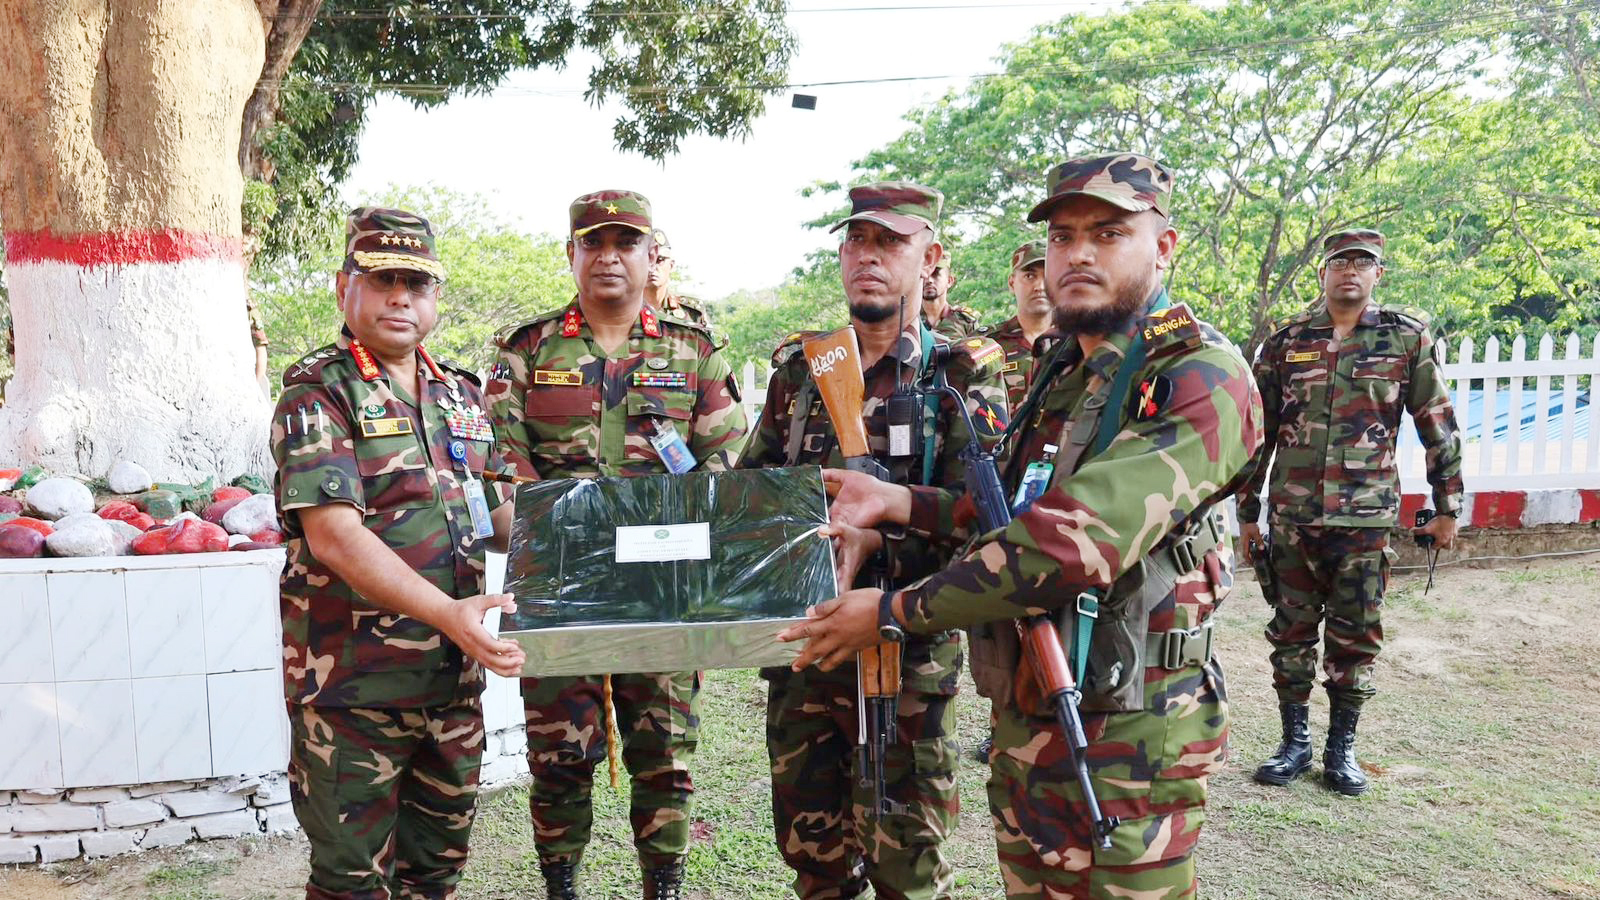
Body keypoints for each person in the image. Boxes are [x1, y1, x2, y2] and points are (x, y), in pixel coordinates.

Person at [782, 153, 1264, 899]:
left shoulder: (1198, 374)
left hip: (1132, 735)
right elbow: (1009, 508)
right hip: (1034, 712)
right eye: (1063, 236)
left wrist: (893, 612)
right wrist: (900, 505)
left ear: (1163, 247)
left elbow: (1071, 541)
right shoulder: (1067, 371)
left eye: (1107, 234)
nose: (1076, 254)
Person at [739, 181, 1009, 900]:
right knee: (813, 855)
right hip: (809, 652)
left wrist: (886, 520)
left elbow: (990, 519)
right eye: (857, 240)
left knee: (905, 863)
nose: (869, 255)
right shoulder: (801, 374)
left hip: (908, 653)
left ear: (930, 259)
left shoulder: (962, 377)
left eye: (891, 241)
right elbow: (753, 494)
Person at [484, 190, 747, 900]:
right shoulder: (528, 350)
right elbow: (500, 464)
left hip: (662, 591)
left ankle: (663, 885)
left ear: (648, 253)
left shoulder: (692, 350)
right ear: (570, 254)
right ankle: (561, 886)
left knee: (663, 754)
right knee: (559, 755)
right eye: (592, 243)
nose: (607, 257)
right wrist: (554, 545)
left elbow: (723, 464)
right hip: (559, 590)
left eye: (624, 243)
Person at [271, 206, 527, 900]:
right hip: (353, 693)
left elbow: (502, 514)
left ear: (436, 298)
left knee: (435, 875)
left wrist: (595, 533)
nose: (399, 298)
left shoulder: (463, 395)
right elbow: (334, 535)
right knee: (352, 883)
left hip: (451, 688)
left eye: (416, 284)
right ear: (343, 287)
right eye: (381, 279)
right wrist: (450, 613)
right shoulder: (317, 391)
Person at [1239, 228, 1463, 796]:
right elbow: (1256, 433)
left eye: (1363, 263)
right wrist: (1247, 512)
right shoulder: (1286, 341)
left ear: (1377, 275)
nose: (1351, 272)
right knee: (1290, 632)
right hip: (1292, 517)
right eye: (1341, 262)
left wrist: (1447, 506)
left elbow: (1435, 421)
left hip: (1365, 519)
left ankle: (1342, 747)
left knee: (1355, 636)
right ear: (1323, 273)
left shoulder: (1404, 338)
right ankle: (1293, 742)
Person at [986, 239, 1055, 412]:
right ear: (1011, 283)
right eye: (1029, 276)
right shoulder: (987, 345)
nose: (1040, 286)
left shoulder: (1076, 344)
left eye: (1048, 276)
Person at [644, 228, 715, 330]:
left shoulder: (693, 314)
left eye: (660, 260)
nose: (653, 267)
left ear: (671, 265)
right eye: (647, 260)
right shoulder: (620, 312)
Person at [920, 254, 981, 339]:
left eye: (935, 274)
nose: (929, 280)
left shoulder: (965, 321)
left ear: (949, 281)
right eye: (924, 275)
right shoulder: (907, 320)